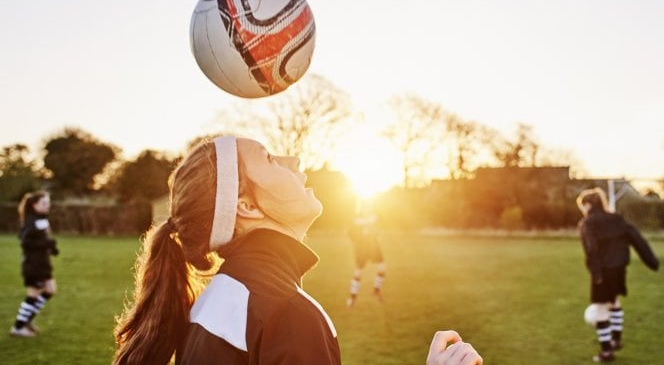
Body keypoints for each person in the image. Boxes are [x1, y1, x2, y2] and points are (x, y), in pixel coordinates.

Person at [112, 136, 482, 365]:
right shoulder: (285, 312)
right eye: (270, 159)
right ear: (246, 206)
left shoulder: (219, 297)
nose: (295, 162)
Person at [577, 187, 659, 362]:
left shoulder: (588, 223)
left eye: (582, 206)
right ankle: (616, 339)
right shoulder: (617, 219)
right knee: (614, 300)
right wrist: (652, 261)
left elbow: (591, 250)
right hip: (620, 268)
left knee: (600, 308)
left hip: (603, 270)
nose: (582, 211)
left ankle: (606, 352)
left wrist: (596, 274)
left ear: (588, 204)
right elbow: (637, 239)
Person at [9, 190, 59, 338]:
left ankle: (27, 319)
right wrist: (47, 243)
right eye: (44, 203)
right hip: (33, 266)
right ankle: (18, 327)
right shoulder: (30, 221)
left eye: (48, 203)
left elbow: (43, 239)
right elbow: (26, 242)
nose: (47, 206)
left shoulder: (42, 219)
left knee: (50, 290)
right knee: (33, 295)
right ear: (34, 205)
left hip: (43, 264)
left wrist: (52, 247)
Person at [346, 199, 386, 307]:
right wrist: (359, 239)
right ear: (362, 207)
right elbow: (349, 233)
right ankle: (352, 297)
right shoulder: (356, 220)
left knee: (382, 267)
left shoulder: (374, 217)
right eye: (366, 206)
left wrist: (377, 234)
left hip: (373, 246)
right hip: (362, 248)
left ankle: (376, 290)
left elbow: (380, 228)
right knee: (358, 272)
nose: (368, 207)